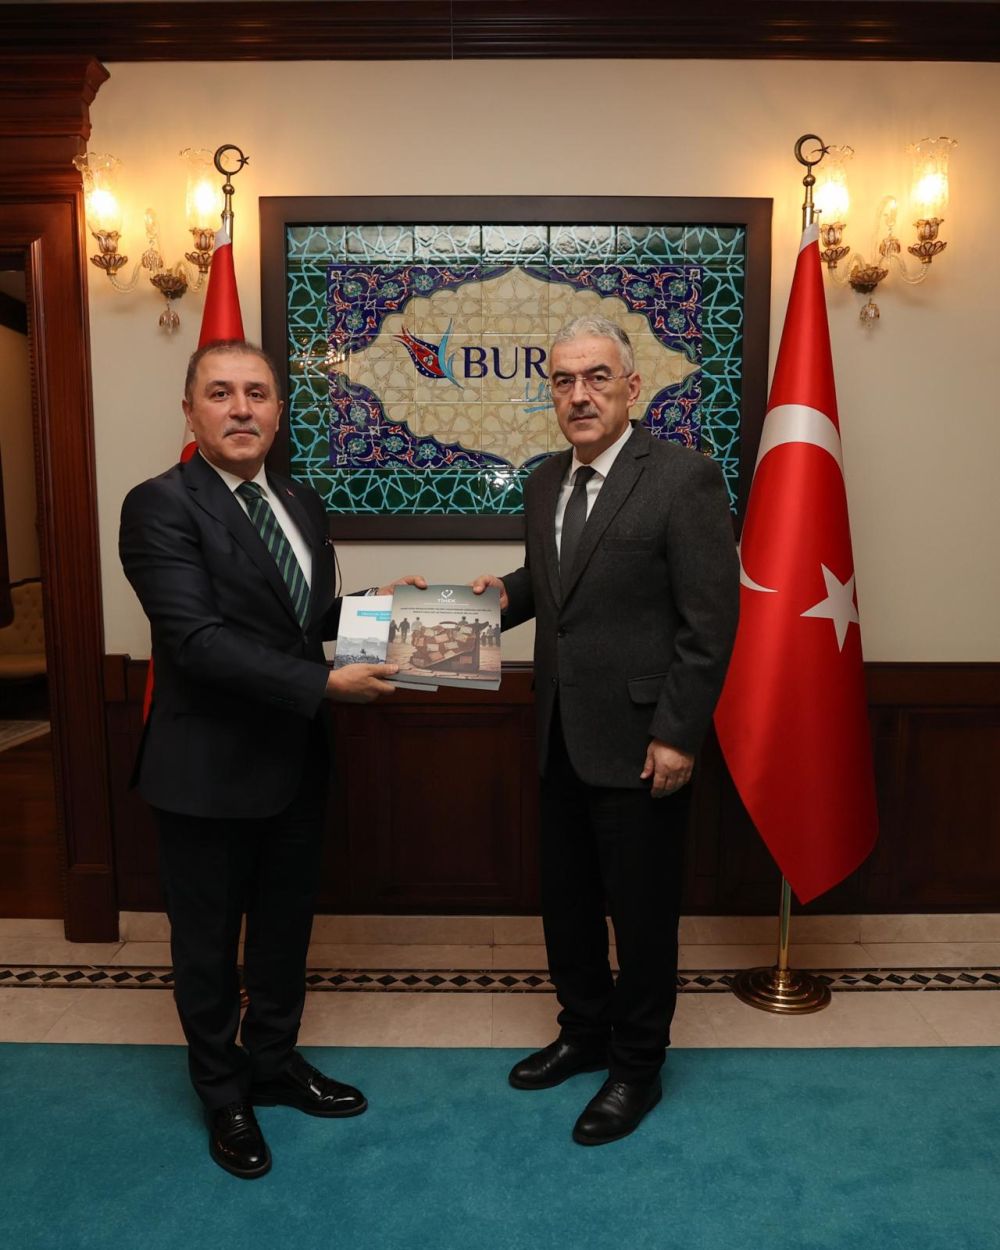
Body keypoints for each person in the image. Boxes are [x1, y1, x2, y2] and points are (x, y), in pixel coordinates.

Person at [119, 339, 425, 1179]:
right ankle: (223, 1093)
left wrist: (376, 609)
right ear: (190, 410)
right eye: (220, 393)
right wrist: (325, 683)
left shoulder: (296, 498)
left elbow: (301, 620)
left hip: (296, 762)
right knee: (208, 948)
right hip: (206, 770)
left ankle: (274, 1062)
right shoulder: (159, 505)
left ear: (279, 412)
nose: (241, 408)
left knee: (285, 934)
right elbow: (197, 640)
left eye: (257, 393)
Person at [473, 316, 738, 1146]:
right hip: (557, 732)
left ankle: (637, 1065)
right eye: (563, 380)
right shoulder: (545, 482)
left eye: (596, 377)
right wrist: (497, 598)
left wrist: (679, 734)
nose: (579, 395)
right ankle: (584, 1031)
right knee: (568, 905)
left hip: (643, 741)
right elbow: (556, 584)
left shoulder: (685, 479)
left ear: (632, 386)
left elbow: (710, 623)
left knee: (643, 915)